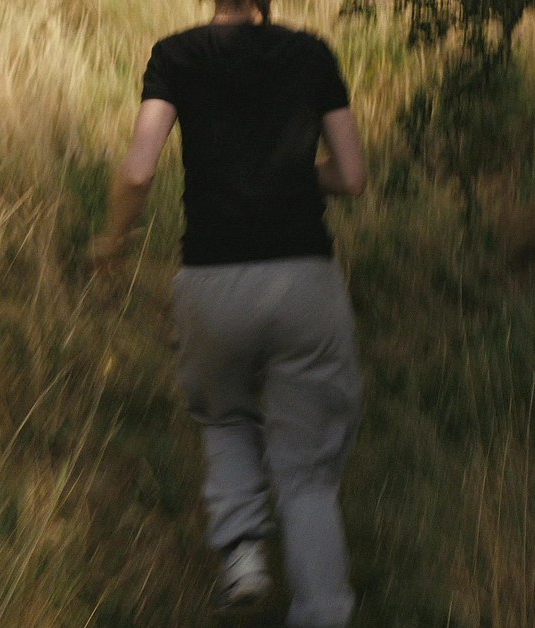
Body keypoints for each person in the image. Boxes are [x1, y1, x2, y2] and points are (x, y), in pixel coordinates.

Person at [89, 1, 367, 625]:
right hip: (304, 282)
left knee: (224, 414)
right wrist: (290, 172)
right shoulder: (312, 54)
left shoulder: (176, 55)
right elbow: (352, 177)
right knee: (307, 473)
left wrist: (112, 241)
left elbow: (138, 173)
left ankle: (242, 554)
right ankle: (322, 611)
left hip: (212, 282)